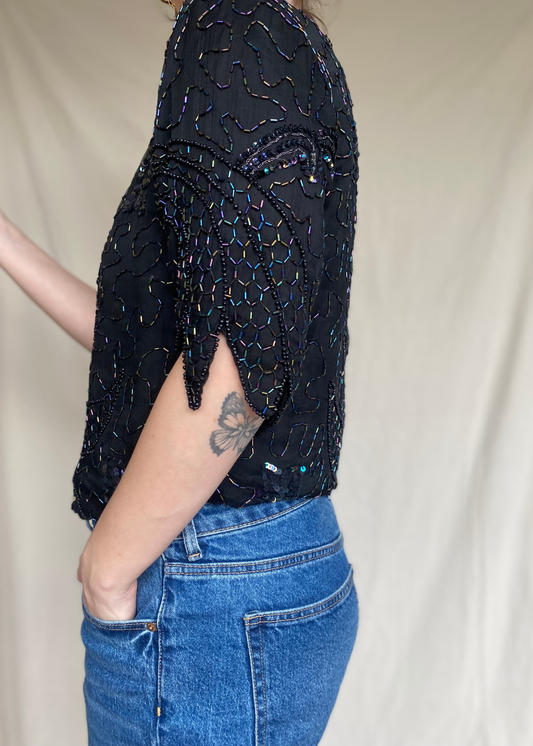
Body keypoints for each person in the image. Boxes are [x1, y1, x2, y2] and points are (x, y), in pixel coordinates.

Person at [0, 0, 360, 742]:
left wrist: (108, 566)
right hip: (252, 567)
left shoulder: (233, 29)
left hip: (211, 578)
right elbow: (155, 344)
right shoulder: (279, 38)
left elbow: (247, 357)